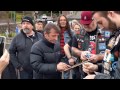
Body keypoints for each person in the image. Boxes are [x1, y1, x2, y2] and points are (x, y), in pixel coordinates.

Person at [71, 11, 111, 79]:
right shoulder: (78, 33)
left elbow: (111, 53)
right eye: (84, 24)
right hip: (84, 70)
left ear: (94, 20)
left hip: (102, 71)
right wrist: (81, 53)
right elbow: (73, 49)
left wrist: (98, 57)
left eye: (88, 24)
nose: (86, 26)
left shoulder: (106, 32)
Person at [82, 11, 120, 79]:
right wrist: (96, 67)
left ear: (111, 14)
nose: (101, 28)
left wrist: (96, 77)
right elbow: (111, 64)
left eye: (100, 22)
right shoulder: (114, 35)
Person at [57, 15, 74, 79]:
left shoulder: (71, 33)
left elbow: (74, 45)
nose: (62, 21)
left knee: (66, 76)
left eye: (64, 20)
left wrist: (71, 57)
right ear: (58, 22)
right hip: (57, 56)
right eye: (61, 20)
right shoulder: (55, 32)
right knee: (57, 74)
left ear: (67, 21)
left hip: (67, 56)